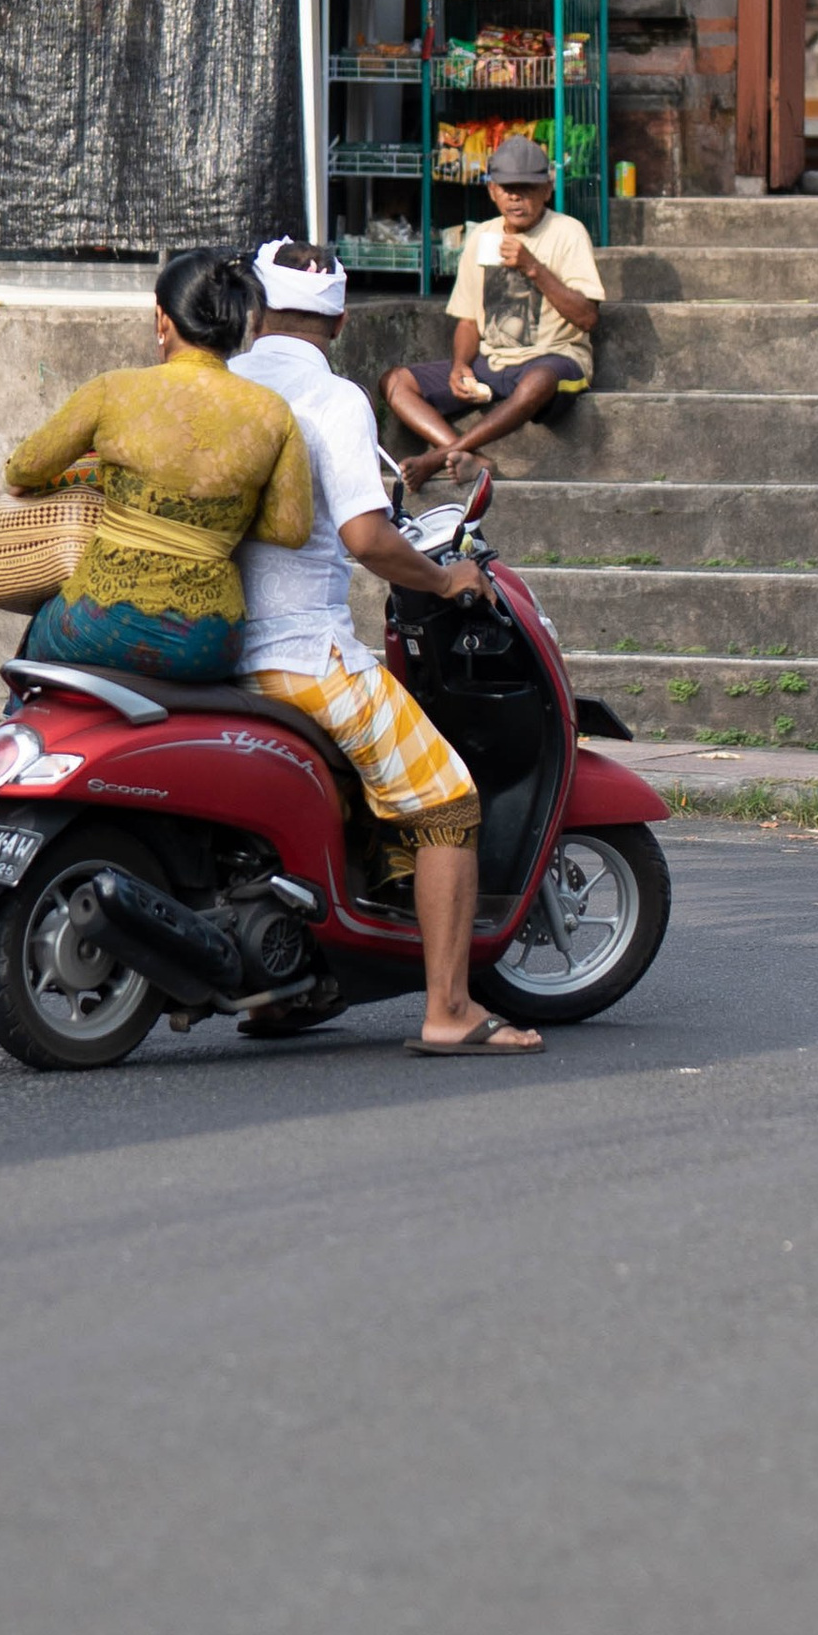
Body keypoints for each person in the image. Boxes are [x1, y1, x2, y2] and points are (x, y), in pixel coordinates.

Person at [237, 239, 541, 1056]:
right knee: (446, 800)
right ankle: (450, 1010)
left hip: (217, 648)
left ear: (256, 312)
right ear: (340, 321)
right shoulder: (333, 399)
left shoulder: (222, 381)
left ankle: (287, 990)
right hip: (300, 654)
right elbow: (368, 538)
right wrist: (443, 581)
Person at [2, 248, 310, 683]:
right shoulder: (273, 413)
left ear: (163, 319)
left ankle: (22, 725)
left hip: (102, 618)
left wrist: (98, 477)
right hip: (210, 640)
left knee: (38, 642)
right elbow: (290, 528)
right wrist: (215, 518)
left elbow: (23, 470)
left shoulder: (114, 390)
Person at [385, 135, 604, 489]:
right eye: (507, 188)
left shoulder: (568, 232)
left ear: (547, 189)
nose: (515, 197)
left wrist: (533, 268)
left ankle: (439, 457)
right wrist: (460, 365)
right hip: (494, 362)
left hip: (556, 360)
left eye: (526, 188)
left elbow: (588, 318)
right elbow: (468, 319)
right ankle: (471, 457)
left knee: (538, 381)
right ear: (492, 191)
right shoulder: (482, 237)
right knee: (396, 381)